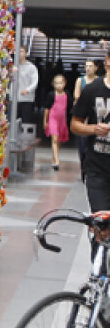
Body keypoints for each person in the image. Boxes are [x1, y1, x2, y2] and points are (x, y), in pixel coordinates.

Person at [71, 49, 110, 213]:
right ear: (107, 62)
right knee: (101, 220)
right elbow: (75, 124)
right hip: (97, 168)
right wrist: (94, 129)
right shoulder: (92, 89)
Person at [74, 59, 101, 177]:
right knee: (82, 144)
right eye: (86, 66)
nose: (88, 68)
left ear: (96, 68)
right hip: (84, 114)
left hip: (95, 115)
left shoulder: (100, 81)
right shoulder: (80, 80)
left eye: (90, 66)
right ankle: (83, 168)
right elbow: (77, 95)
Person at [42, 73, 70, 172]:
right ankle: (57, 162)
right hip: (53, 119)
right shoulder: (51, 95)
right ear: (53, 84)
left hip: (62, 120)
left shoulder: (67, 94)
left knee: (58, 140)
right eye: (57, 83)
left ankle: (54, 157)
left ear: (65, 83)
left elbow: (69, 107)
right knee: (54, 138)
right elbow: (47, 109)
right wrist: (45, 121)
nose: (59, 85)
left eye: (61, 83)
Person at [15, 46, 38, 139]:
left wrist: (28, 90)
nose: (19, 53)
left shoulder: (31, 67)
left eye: (21, 51)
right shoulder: (13, 66)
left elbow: (35, 82)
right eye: (18, 51)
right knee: (14, 120)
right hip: (15, 98)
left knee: (26, 120)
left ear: (26, 53)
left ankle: (25, 139)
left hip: (27, 99)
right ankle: (14, 138)